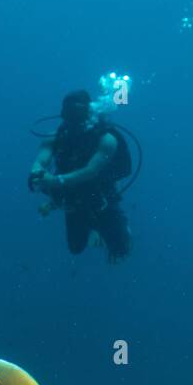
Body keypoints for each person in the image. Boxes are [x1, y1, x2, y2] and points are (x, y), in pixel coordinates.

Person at [29, 90, 133, 262]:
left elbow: (91, 171)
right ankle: (92, 226)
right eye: (70, 113)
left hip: (101, 198)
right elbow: (42, 159)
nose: (73, 119)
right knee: (75, 247)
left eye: (77, 113)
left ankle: (117, 227)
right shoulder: (56, 137)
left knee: (120, 250)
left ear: (88, 112)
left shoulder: (106, 139)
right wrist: (35, 172)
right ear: (63, 114)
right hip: (72, 198)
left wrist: (55, 181)